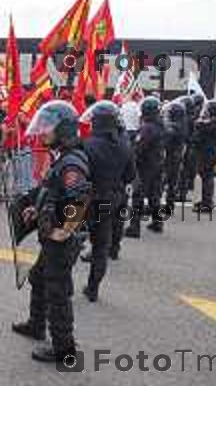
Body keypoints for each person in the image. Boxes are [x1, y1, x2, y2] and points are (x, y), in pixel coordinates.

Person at [12, 101, 92, 365]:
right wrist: (35, 210)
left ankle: (64, 350)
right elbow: (51, 192)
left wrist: (65, 230)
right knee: (38, 278)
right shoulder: (62, 156)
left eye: (48, 127)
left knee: (58, 293)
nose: (43, 131)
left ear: (65, 129)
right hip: (50, 237)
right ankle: (36, 325)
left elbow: (79, 199)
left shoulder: (72, 162)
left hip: (61, 242)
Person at [81, 101, 135, 303]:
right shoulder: (125, 143)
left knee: (72, 240)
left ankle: (64, 285)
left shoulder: (87, 145)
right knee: (101, 246)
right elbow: (130, 175)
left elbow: (80, 177)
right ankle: (93, 288)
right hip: (115, 199)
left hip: (91, 201)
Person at [126, 96, 165, 238]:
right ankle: (157, 222)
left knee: (138, 196)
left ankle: (134, 227)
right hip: (157, 163)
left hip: (145, 166)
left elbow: (139, 148)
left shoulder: (147, 128)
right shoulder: (160, 125)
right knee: (154, 195)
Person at [192, 100, 216, 214]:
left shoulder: (214, 122)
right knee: (207, 177)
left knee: (207, 177)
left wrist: (199, 121)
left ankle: (207, 203)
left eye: (208, 108)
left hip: (208, 152)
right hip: (211, 151)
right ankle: (206, 201)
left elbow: (199, 126)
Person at [163, 100, 188, 212]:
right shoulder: (183, 124)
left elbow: (166, 140)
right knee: (172, 182)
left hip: (170, 156)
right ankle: (170, 204)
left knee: (164, 182)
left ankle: (165, 205)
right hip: (176, 155)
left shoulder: (174, 127)